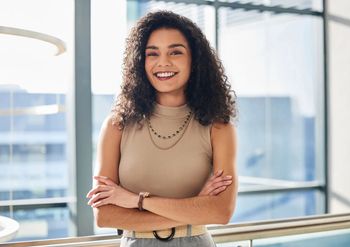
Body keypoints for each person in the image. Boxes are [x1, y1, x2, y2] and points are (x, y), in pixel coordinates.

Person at [86, 10, 237, 247]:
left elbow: (220, 212)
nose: (163, 62)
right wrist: (196, 206)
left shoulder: (218, 127)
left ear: (194, 60)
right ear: (140, 62)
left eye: (175, 52)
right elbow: (105, 216)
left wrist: (136, 201)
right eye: (152, 53)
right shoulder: (117, 125)